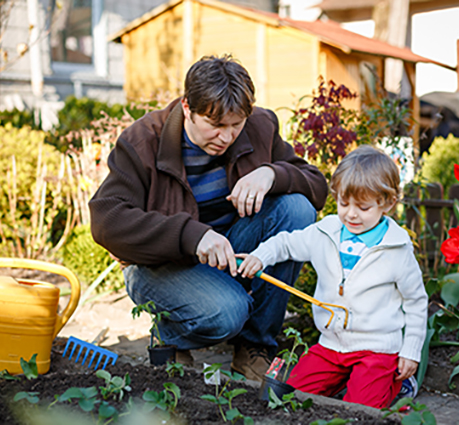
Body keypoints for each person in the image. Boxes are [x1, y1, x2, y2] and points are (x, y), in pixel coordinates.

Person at [89, 55, 328, 381]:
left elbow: (315, 185)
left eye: (236, 125)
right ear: (188, 107)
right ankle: (171, 334)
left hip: (231, 250)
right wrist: (191, 235)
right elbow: (107, 220)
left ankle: (254, 347)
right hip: (163, 265)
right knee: (228, 312)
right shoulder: (143, 140)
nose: (227, 137)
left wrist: (271, 174)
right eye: (215, 125)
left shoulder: (260, 127)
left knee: (297, 208)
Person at [237, 145, 428, 407]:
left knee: (360, 407)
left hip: (377, 351)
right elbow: (286, 243)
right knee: (291, 395)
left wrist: (410, 352)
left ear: (387, 203)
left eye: (363, 207)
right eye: (343, 203)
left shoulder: (396, 249)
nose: (351, 214)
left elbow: (416, 303)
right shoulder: (326, 233)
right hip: (331, 346)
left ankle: (398, 384)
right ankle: (342, 378)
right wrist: (260, 256)